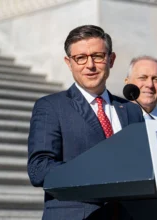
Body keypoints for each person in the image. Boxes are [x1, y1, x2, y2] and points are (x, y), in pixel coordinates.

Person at [27, 25, 144, 220]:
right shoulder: (50, 107)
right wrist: (98, 171)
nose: (90, 65)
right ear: (69, 62)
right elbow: (38, 169)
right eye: (80, 58)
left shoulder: (131, 110)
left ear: (111, 59)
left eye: (98, 56)